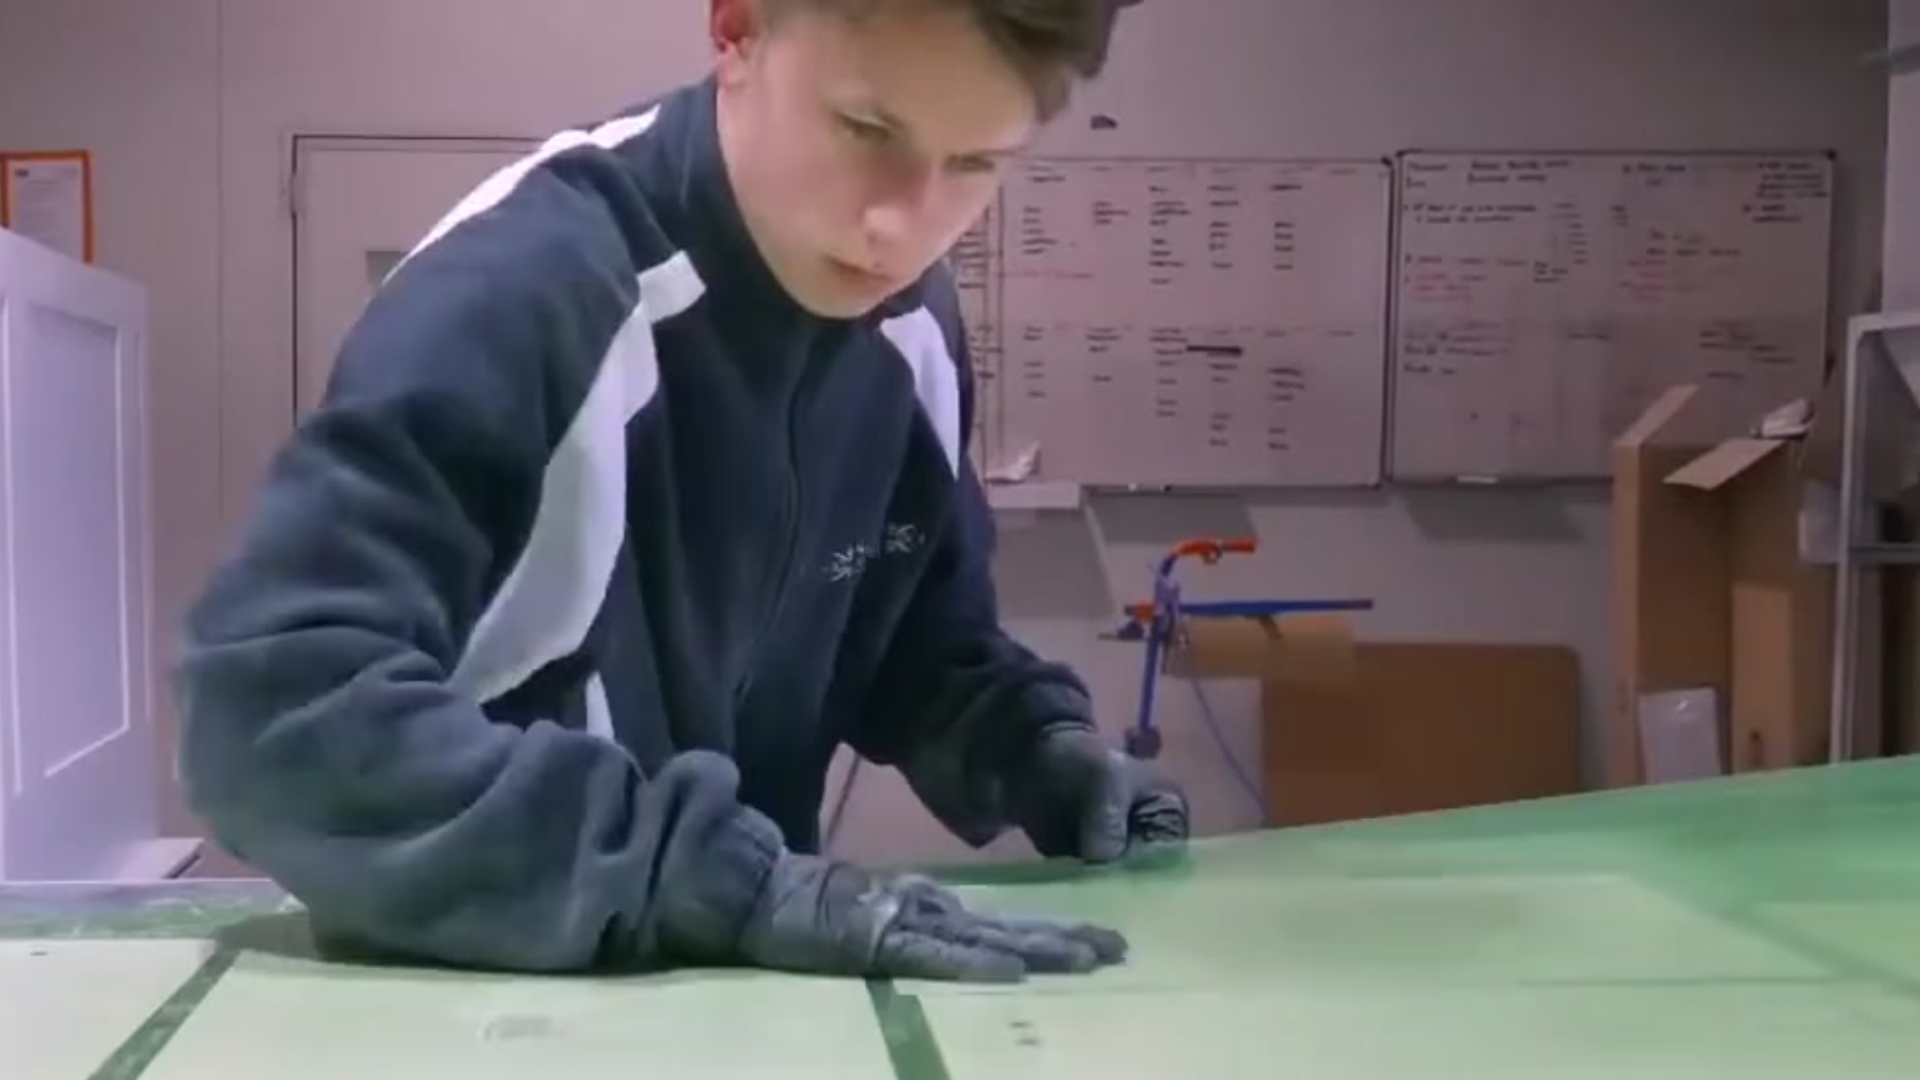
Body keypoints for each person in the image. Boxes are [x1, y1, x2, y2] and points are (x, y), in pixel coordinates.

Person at [174, 0, 1188, 983]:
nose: (901, 225)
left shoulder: (912, 321)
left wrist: (1031, 746)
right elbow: (267, 715)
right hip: (488, 994)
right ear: (737, 26)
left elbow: (910, 638)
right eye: (867, 128)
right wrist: (706, 881)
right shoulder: (526, 286)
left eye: (974, 164)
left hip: (735, 996)